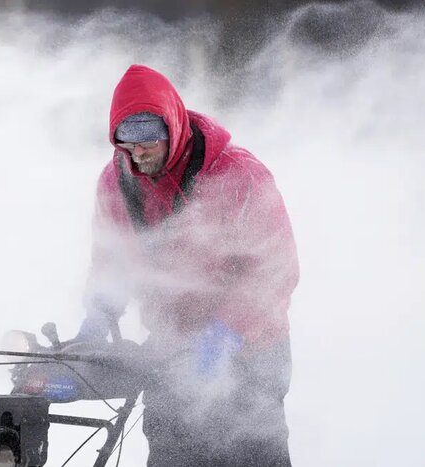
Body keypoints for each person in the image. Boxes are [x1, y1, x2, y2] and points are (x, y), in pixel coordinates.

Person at [75, 64, 299, 466]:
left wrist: (225, 334)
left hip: (252, 349)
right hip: (169, 349)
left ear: (173, 128)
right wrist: (97, 314)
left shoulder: (238, 175)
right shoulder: (116, 182)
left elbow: (275, 268)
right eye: (126, 140)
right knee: (173, 453)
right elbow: (112, 260)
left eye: (148, 139)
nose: (138, 152)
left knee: (249, 452)